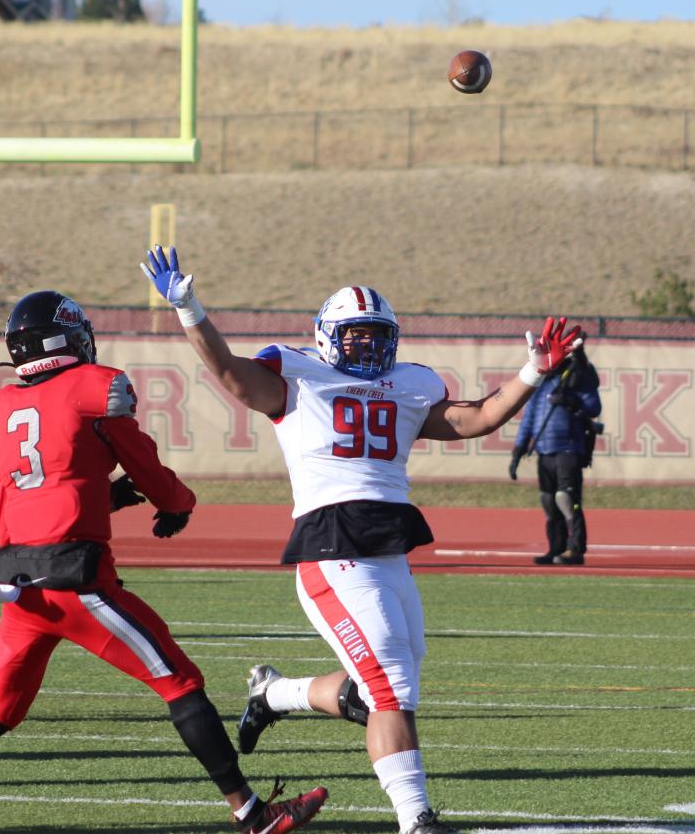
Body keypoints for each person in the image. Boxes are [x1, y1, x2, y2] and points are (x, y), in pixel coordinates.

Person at [140, 246, 581, 834]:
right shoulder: (296, 375)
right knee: (390, 684)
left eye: (376, 335)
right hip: (332, 545)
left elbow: (473, 418)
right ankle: (415, 819)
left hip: (388, 546)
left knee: (387, 684)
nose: (368, 346)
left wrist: (535, 373)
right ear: (327, 336)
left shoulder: (410, 383)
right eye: (355, 337)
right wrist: (190, 308)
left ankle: (275, 694)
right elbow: (230, 374)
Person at [0, 290, 327, 834]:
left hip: (16, 582)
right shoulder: (96, 386)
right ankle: (252, 815)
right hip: (74, 582)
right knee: (180, 682)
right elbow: (147, 467)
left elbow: (45, 487)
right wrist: (177, 503)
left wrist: (114, 498)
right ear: (70, 340)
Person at [509, 343, 601, 565]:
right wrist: (518, 451)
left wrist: (570, 401)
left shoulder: (578, 377)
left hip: (568, 448)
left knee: (566, 499)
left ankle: (575, 549)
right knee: (549, 501)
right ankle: (556, 548)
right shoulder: (540, 383)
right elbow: (529, 419)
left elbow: (593, 406)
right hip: (544, 450)